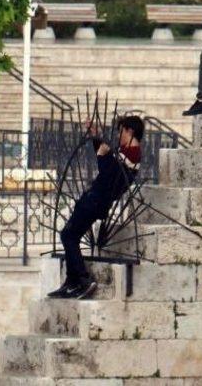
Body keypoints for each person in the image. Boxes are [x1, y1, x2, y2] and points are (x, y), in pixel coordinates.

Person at [47, 114, 144, 300]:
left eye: (121, 131)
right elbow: (110, 158)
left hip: (95, 201)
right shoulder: (127, 153)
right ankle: (72, 281)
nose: (118, 135)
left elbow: (109, 174)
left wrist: (101, 156)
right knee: (70, 235)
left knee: (68, 235)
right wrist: (95, 136)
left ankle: (82, 279)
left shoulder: (131, 156)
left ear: (130, 131)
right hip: (95, 201)